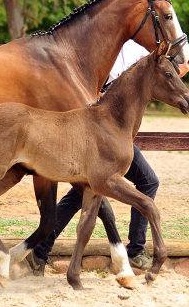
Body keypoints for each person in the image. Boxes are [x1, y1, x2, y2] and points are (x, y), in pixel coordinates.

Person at [26, 39, 160, 275]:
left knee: (86, 191)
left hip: (116, 132)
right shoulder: (96, 47)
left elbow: (171, 70)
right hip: (98, 132)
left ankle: (40, 250)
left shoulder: (139, 51)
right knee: (107, 186)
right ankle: (136, 252)